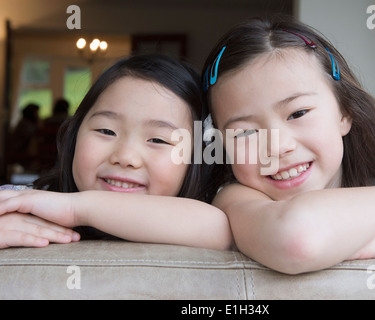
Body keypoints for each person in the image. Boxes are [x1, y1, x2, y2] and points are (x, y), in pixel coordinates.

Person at [201, 16, 375, 274]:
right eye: (245, 132)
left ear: (344, 113)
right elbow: (296, 240)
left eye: (297, 113)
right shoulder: (233, 199)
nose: (277, 147)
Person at [0, 54, 232, 250]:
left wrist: (75, 208)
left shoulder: (210, 214)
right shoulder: (24, 203)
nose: (125, 157)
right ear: (74, 135)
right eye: (106, 131)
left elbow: (217, 228)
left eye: (158, 139)